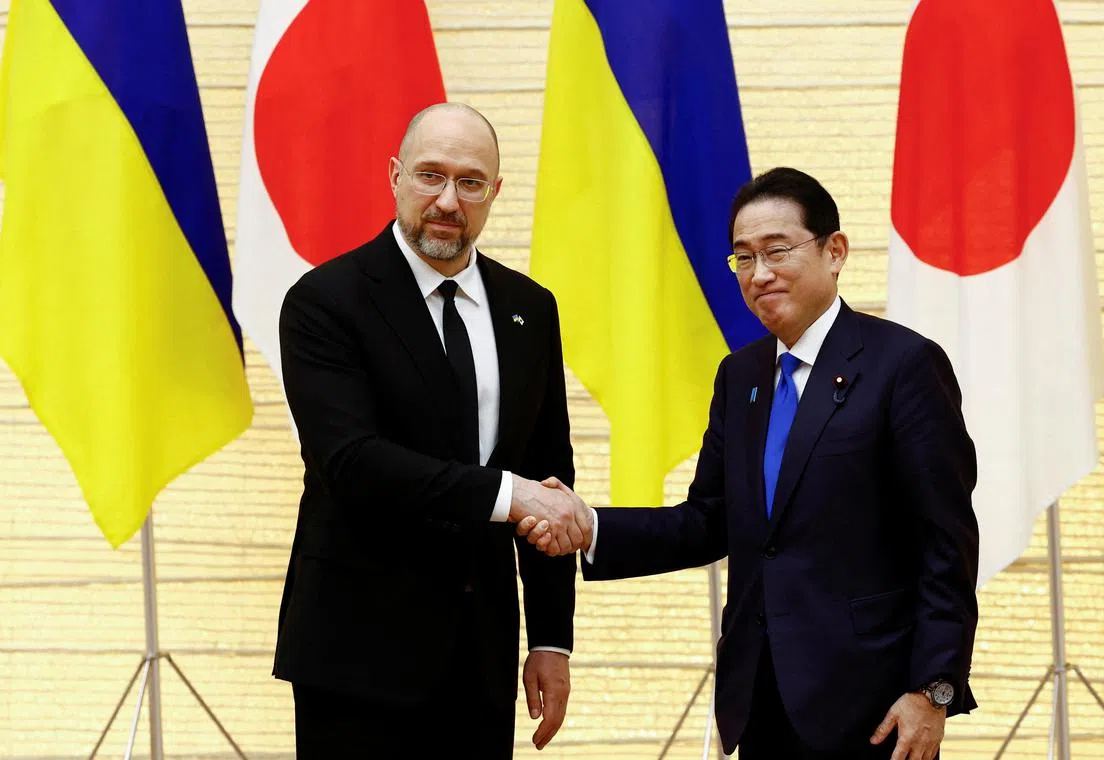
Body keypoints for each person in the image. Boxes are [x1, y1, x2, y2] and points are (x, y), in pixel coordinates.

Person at [521, 167, 980, 759]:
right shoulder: (740, 377)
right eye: (742, 258)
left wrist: (932, 690)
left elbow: (947, 543)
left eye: (777, 251)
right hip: (758, 698)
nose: (759, 274)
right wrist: (592, 527)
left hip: (874, 707)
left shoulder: (904, 366)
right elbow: (709, 520)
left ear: (834, 251)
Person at [273, 103, 590, 758]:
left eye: (471, 182)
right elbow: (352, 462)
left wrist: (551, 639)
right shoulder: (325, 301)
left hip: (480, 655)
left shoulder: (530, 309)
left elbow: (550, 475)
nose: (448, 200)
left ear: (495, 193)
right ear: (394, 177)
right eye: (430, 175)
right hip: (356, 655)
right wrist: (511, 496)